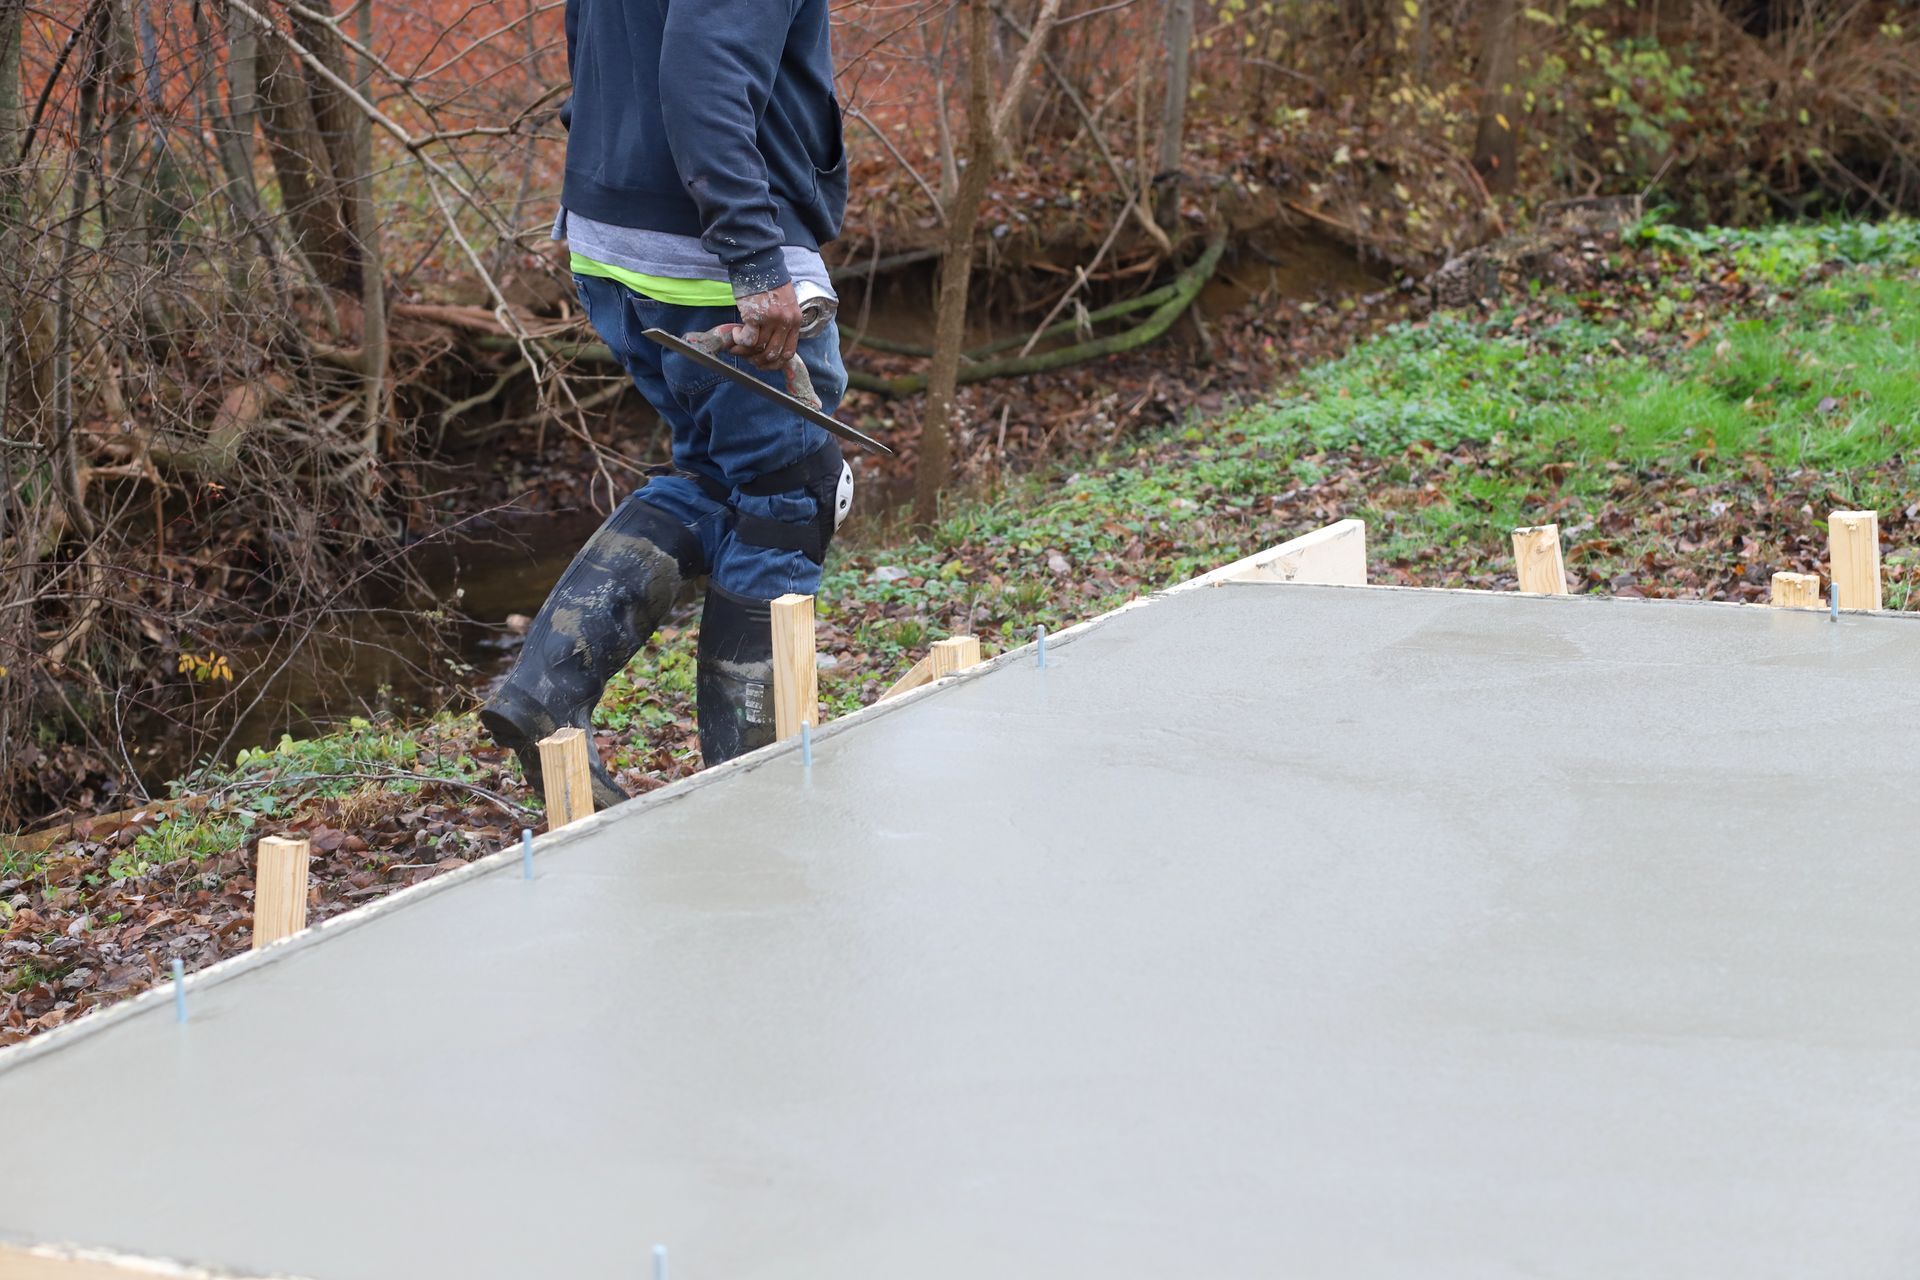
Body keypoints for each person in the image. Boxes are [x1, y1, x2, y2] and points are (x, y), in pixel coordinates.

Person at [481, 0, 851, 810]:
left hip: (615, 234)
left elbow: (592, 37)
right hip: (707, 251)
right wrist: (756, 259)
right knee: (789, 495)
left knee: (721, 475)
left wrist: (605, 177)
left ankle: (547, 691)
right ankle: (756, 793)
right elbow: (704, 70)